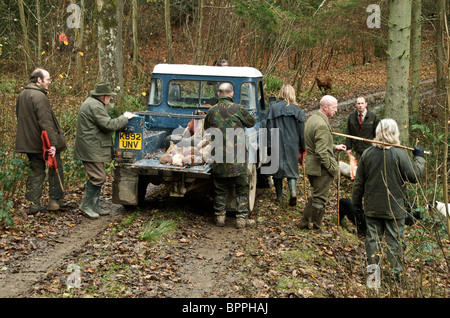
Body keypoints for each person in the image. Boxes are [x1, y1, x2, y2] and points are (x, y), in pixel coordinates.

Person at [351, 119, 425, 280]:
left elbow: (359, 183)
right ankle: (395, 276)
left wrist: (356, 203)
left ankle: (374, 279)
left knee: (373, 242)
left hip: (374, 207)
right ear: (395, 133)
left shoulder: (368, 154)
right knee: (394, 242)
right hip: (394, 208)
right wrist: (419, 158)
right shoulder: (399, 154)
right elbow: (414, 176)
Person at [74, 82, 136, 218]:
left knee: (99, 177)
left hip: (92, 147)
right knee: (98, 177)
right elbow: (108, 125)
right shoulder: (95, 106)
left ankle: (94, 206)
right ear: (104, 96)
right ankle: (86, 206)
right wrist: (124, 118)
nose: (109, 99)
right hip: (91, 148)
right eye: (109, 96)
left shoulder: (93, 103)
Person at [204, 82, 256, 229]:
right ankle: (241, 220)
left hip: (219, 156)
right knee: (242, 188)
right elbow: (251, 123)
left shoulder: (212, 111)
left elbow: (206, 128)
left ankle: (220, 218)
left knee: (219, 188)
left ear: (219, 94)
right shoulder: (239, 109)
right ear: (231, 94)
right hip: (238, 157)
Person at [15, 68, 67, 213]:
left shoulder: (22, 95)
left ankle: (34, 204)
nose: (50, 82)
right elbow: (46, 123)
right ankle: (55, 201)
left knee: (36, 172)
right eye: (48, 79)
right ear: (39, 80)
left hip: (28, 143)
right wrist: (53, 144)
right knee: (55, 168)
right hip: (42, 143)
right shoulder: (39, 96)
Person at [299, 95, 346, 232]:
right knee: (320, 199)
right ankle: (317, 229)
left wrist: (333, 146)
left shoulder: (313, 118)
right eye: (334, 107)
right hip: (320, 168)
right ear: (325, 107)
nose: (336, 110)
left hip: (312, 165)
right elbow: (321, 152)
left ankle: (304, 222)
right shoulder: (321, 125)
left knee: (316, 196)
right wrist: (333, 168)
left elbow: (317, 144)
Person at [266, 84, 306, 206]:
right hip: (292, 144)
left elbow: (268, 129)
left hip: (275, 142)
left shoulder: (272, 109)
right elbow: (301, 132)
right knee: (292, 169)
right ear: (292, 94)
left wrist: (268, 146)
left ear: (281, 93)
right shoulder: (297, 110)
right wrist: (303, 147)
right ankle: (293, 193)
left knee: (276, 170)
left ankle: (279, 197)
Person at [345, 96, 380, 161]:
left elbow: (377, 134)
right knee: (359, 169)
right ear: (356, 104)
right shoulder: (352, 117)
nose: (360, 105)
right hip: (358, 149)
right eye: (358, 103)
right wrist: (348, 147)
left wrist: (377, 147)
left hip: (370, 149)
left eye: (362, 103)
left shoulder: (373, 117)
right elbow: (348, 133)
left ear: (366, 104)